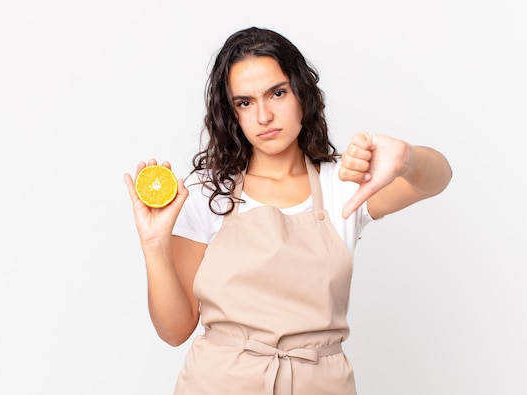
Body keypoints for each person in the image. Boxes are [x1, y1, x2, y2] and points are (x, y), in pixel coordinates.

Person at [124, 26, 452, 395]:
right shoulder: (206, 194)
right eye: (244, 102)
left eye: (276, 93)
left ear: (302, 94)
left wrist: (406, 157)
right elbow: (175, 330)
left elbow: (436, 179)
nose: (263, 116)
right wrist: (154, 245)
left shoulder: (342, 185)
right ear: (232, 114)